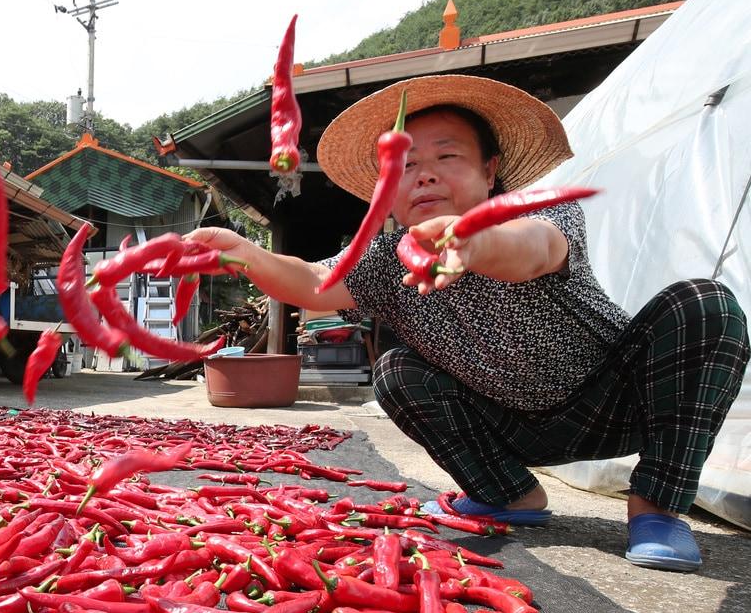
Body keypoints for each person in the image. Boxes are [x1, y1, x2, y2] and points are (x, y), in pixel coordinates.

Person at [188, 74, 748, 572]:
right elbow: (312, 280)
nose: (423, 176)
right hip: (507, 425)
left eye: (447, 158)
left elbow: (533, 250)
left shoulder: (536, 212)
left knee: (704, 306)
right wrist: (244, 255)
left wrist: (472, 242)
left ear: (490, 170)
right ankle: (508, 494)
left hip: (617, 398)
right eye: (404, 167)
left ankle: (657, 505)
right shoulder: (385, 259)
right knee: (397, 373)